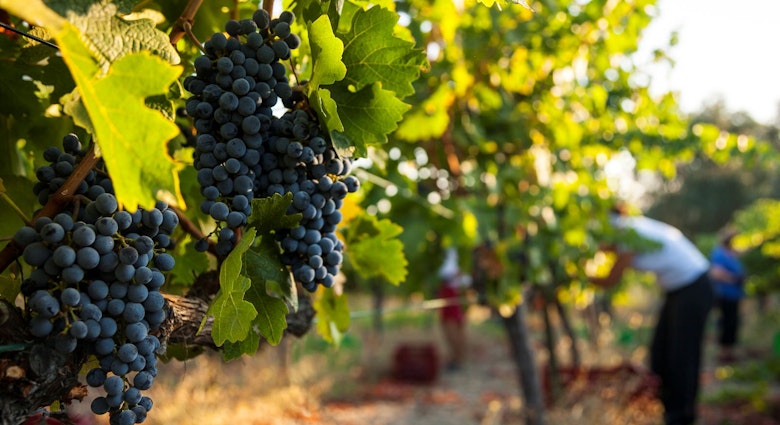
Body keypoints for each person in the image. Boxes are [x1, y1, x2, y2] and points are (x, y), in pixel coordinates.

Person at [590, 208, 714, 425]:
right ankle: (668, 407)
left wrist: (579, 275)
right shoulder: (630, 228)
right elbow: (609, 250)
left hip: (693, 288)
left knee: (682, 355)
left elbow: (611, 279)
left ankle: (681, 415)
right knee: (661, 352)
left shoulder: (627, 231)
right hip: (679, 291)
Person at [709, 227, 745, 363]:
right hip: (725, 295)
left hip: (733, 295)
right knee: (727, 322)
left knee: (732, 322)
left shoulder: (731, 254)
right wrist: (734, 279)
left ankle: (729, 352)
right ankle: (724, 353)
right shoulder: (720, 253)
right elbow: (715, 273)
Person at [437, 247, 469, 371]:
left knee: (452, 326)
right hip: (450, 292)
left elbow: (462, 276)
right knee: (451, 325)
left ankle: (458, 359)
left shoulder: (458, 250)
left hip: (453, 293)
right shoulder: (446, 249)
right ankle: (456, 358)